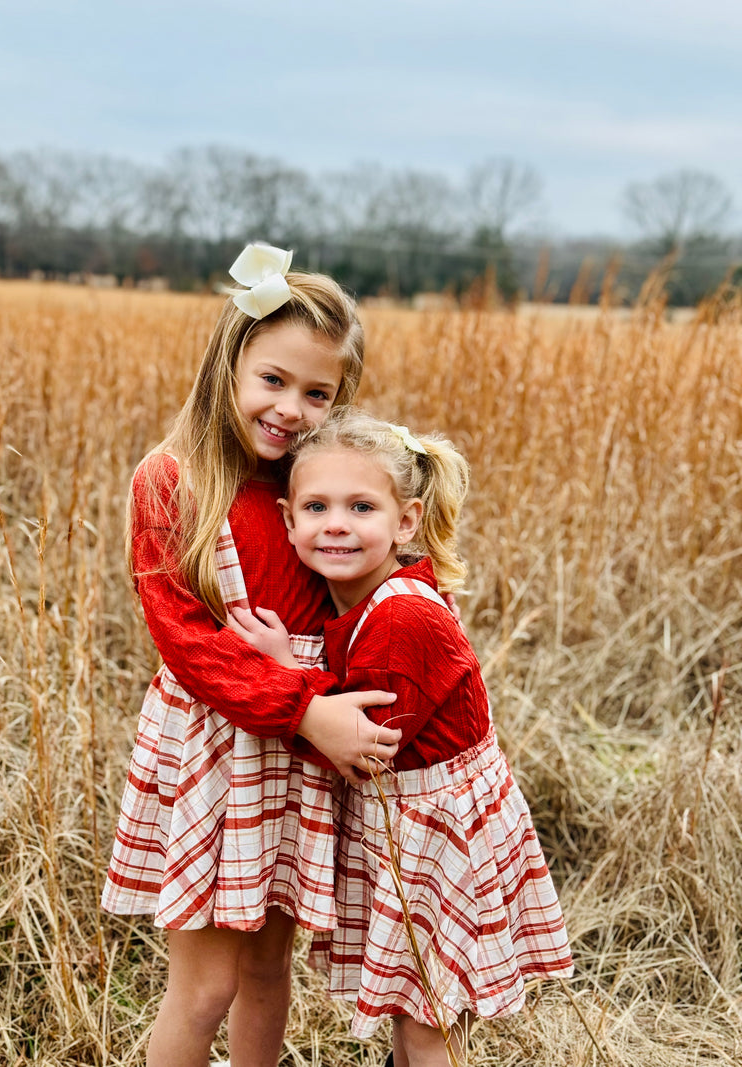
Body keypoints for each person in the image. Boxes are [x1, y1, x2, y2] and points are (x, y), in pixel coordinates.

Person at [101, 245, 402, 1067]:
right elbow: (189, 646)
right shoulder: (172, 479)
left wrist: (332, 701)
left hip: (301, 752)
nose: (291, 407)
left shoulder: (316, 488)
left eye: (318, 392)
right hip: (214, 748)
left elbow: (372, 599)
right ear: (230, 363)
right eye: (273, 379)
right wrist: (306, 706)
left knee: (270, 970)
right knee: (205, 990)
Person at [229, 408, 574, 1067]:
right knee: (421, 1006)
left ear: (407, 521)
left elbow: (363, 746)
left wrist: (284, 674)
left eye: (361, 506)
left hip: (433, 835)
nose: (336, 523)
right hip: (423, 825)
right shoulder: (373, 596)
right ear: (288, 521)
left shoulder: (401, 618)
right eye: (317, 505)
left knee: (426, 1021)